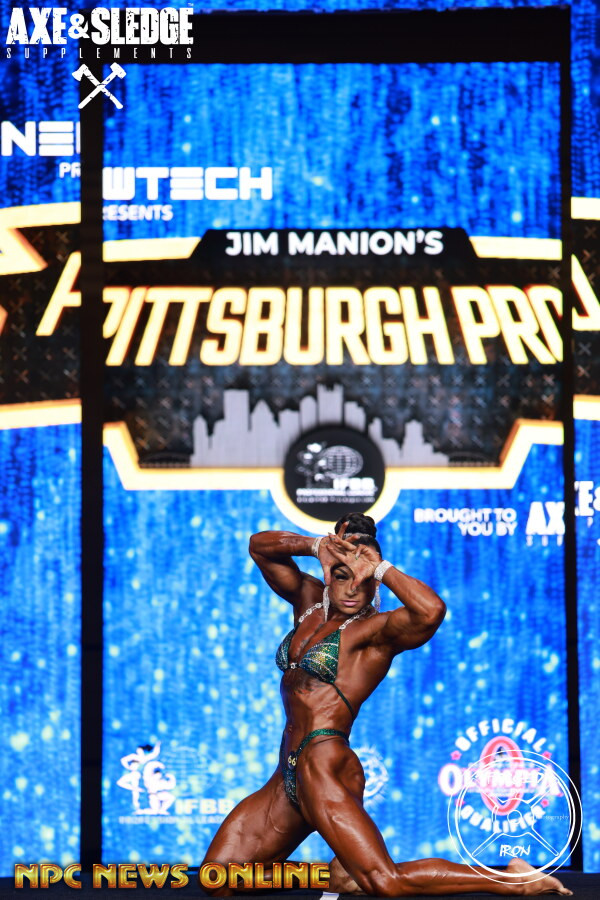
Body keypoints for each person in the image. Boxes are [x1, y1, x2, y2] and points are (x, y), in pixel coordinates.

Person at [201, 512, 571, 897]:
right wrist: (315, 545)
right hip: (287, 773)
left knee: (386, 881)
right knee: (219, 877)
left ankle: (513, 879)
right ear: (328, 574)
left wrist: (381, 568)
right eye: (342, 576)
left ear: (374, 583)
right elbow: (260, 547)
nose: (351, 589)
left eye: (363, 580)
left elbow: (431, 610)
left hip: (325, 764)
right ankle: (336, 878)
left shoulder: (374, 633)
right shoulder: (309, 604)